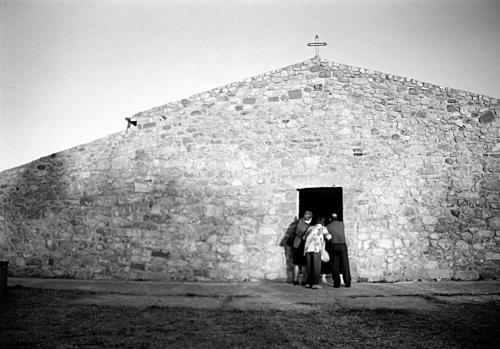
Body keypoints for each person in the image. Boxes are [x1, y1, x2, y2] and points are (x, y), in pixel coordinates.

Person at [326, 213, 351, 288]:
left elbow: (328, 237)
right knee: (345, 264)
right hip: (342, 245)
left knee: (335, 264)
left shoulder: (328, 226)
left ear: (330, 219)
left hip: (333, 245)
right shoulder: (342, 224)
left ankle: (337, 283)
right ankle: (347, 282)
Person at [303, 216, 328, 289]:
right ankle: (315, 283)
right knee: (316, 267)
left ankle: (308, 283)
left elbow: (304, 237)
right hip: (316, 249)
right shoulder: (323, 228)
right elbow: (328, 236)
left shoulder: (310, 228)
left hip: (307, 249)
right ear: (323, 222)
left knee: (309, 266)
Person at [291, 211, 313, 285]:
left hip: (296, 244)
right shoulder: (309, 227)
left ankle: (295, 280)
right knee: (304, 264)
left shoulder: (299, 223)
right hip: (303, 245)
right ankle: (303, 280)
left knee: (296, 263)